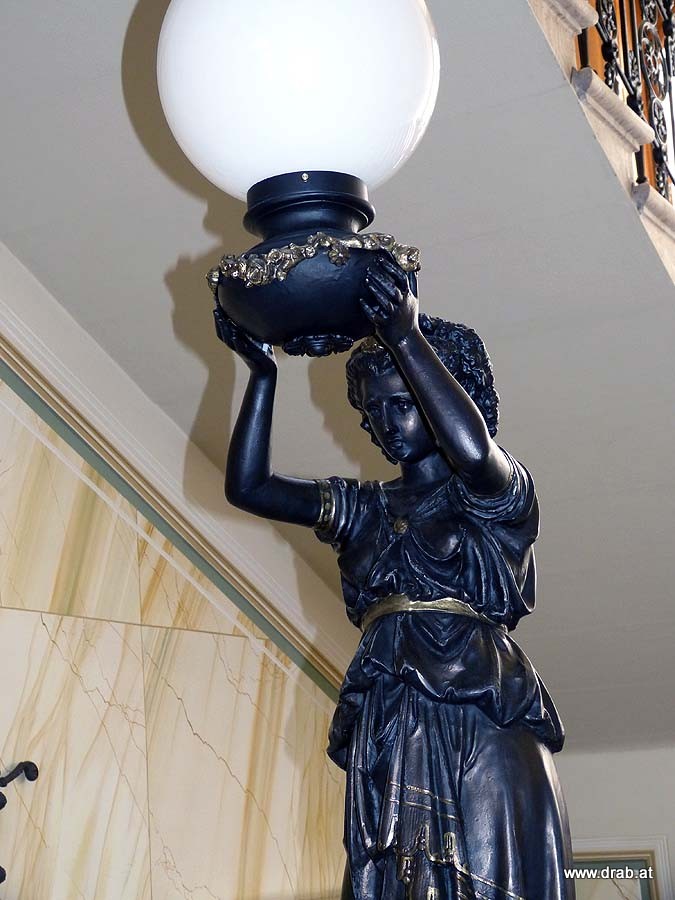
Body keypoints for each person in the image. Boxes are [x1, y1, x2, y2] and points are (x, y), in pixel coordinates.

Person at [216, 255, 575, 900]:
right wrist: (261, 373)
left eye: (404, 404)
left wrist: (405, 335)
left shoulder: (499, 497)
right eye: (373, 410)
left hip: (479, 718)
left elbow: (473, 453)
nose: (386, 423)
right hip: (391, 718)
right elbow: (250, 486)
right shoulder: (363, 509)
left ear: (443, 398)